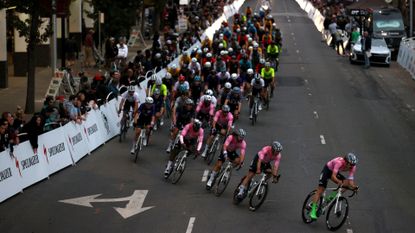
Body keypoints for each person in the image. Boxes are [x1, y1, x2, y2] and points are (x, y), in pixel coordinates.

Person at [309, 153, 359, 220]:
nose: (351, 166)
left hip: (335, 172)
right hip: (327, 171)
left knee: (346, 184)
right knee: (320, 190)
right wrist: (339, 182)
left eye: (353, 165)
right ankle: (312, 211)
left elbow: (350, 181)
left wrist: (354, 187)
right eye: (350, 164)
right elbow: (333, 176)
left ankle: (331, 196)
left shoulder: (353, 167)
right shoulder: (339, 162)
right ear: (346, 161)